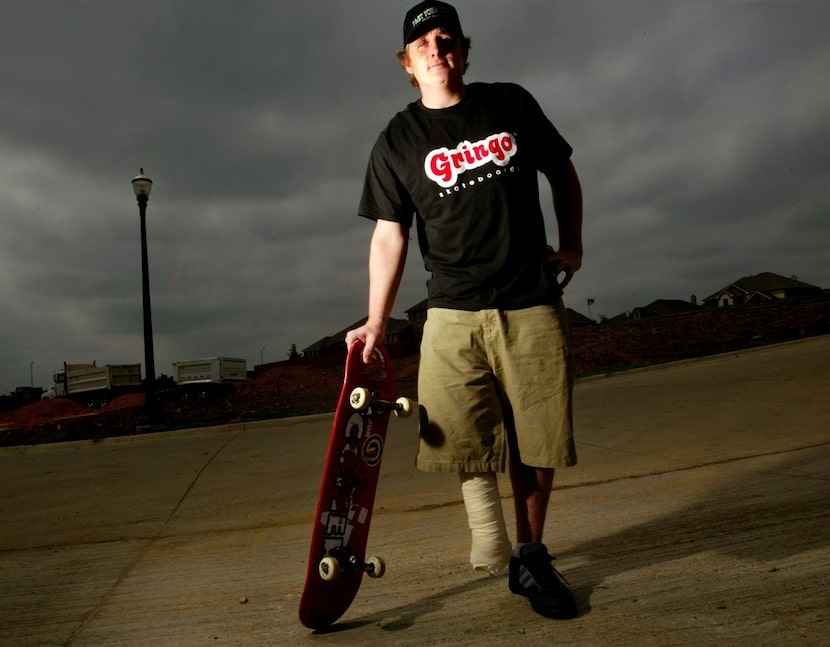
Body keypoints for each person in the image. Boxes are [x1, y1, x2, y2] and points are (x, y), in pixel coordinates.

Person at [345, 1, 583, 620]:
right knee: (453, 432)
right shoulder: (397, 139)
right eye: (422, 41)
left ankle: (529, 557)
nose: (436, 47)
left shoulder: (509, 103)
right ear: (407, 63)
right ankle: (489, 533)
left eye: (446, 38)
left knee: (535, 439)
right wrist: (376, 319)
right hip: (450, 312)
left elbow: (561, 170)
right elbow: (389, 235)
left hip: (529, 299)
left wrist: (574, 244)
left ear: (463, 51)